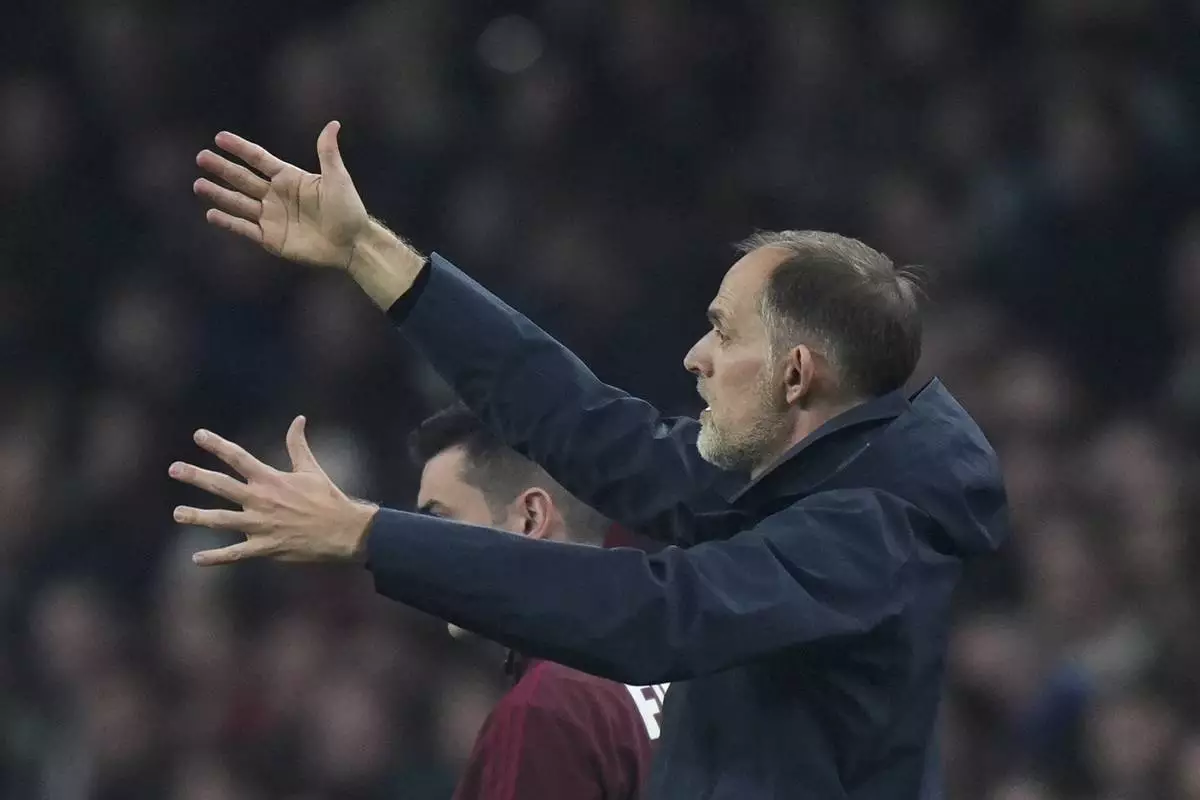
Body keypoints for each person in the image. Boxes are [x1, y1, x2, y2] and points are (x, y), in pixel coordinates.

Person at [171, 122, 1010, 799]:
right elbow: (594, 430)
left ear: (796, 376)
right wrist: (369, 254)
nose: (695, 356)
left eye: (723, 333)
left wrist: (369, 535)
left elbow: (655, 614)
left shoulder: (871, 536)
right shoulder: (798, 479)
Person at [409, 402, 666, 800]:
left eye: (440, 521)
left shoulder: (548, 708)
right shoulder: (685, 659)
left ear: (530, 518)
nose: (420, 554)